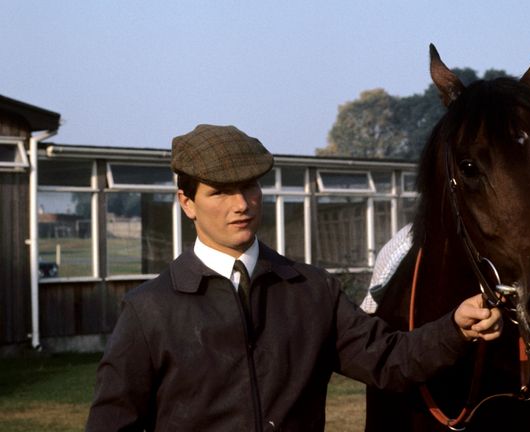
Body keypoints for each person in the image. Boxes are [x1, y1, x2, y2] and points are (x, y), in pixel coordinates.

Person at [85, 124, 503, 432]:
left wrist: (455, 329)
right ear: (187, 202)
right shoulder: (148, 310)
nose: (241, 204)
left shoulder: (312, 291)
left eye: (249, 186)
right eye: (220, 192)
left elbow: (389, 361)